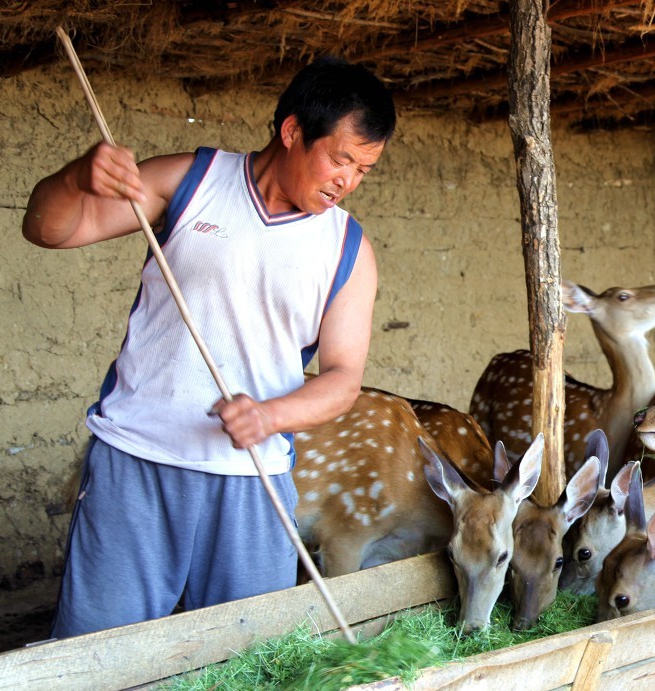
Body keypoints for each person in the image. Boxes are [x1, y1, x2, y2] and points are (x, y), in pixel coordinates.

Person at [23, 57, 397, 638]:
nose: (345, 181)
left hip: (252, 481)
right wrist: (76, 178)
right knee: (95, 660)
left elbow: (343, 379)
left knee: (241, 672)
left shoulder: (346, 248)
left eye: (363, 171)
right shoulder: (190, 182)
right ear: (293, 132)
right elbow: (49, 229)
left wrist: (269, 415)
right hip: (136, 460)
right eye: (340, 158)